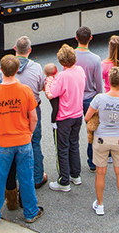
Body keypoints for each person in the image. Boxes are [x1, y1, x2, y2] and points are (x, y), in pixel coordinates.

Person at [0, 54, 43, 226]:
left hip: (3, 142)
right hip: (23, 140)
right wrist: (29, 134)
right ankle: (31, 211)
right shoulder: (25, 91)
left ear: (1, 70)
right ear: (17, 71)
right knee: (26, 178)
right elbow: (34, 118)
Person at [86, 66, 119, 217]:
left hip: (101, 138)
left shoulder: (99, 98)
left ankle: (100, 205)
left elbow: (87, 117)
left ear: (108, 80)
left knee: (100, 172)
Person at [47, 44, 85, 192]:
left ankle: (64, 181)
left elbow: (51, 94)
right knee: (74, 144)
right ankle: (75, 175)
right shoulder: (80, 70)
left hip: (64, 117)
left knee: (62, 148)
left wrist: (49, 82)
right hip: (77, 114)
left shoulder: (62, 76)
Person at [12, 36, 48, 189]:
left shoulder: (6, 67)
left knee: (15, 142)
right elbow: (41, 86)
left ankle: (15, 176)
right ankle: (37, 177)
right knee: (34, 142)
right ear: (30, 50)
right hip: (32, 108)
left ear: (15, 49)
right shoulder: (36, 67)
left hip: (14, 109)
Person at [73, 27, 104, 172]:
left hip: (74, 99)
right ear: (90, 38)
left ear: (76, 38)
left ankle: (73, 164)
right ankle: (92, 161)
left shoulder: (71, 56)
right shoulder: (96, 59)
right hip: (90, 99)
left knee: (73, 133)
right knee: (92, 131)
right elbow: (99, 84)